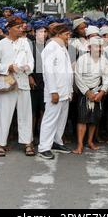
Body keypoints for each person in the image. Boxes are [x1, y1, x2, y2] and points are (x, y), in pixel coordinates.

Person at [0, 16, 35, 157]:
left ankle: (27, 143)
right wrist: (8, 67)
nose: (21, 29)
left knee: (25, 114)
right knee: (3, 113)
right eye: (18, 27)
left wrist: (27, 68)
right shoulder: (1, 44)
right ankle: (0, 144)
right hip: (8, 82)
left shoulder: (26, 43)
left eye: (22, 27)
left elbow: (31, 62)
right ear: (9, 28)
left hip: (22, 82)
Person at [38, 23, 74, 159]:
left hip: (64, 91)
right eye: (66, 34)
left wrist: (69, 90)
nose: (68, 36)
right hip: (55, 92)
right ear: (58, 35)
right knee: (50, 119)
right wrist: (53, 91)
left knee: (61, 120)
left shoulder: (62, 47)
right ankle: (43, 147)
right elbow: (48, 71)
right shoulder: (51, 47)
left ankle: (56, 142)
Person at [73, 37, 108, 154]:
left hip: (97, 92)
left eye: (100, 47)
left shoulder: (104, 60)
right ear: (89, 48)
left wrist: (102, 92)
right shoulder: (82, 59)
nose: (98, 49)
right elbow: (78, 77)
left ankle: (90, 141)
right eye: (95, 46)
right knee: (82, 120)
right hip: (85, 93)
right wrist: (87, 92)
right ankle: (80, 144)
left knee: (94, 120)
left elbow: (106, 77)